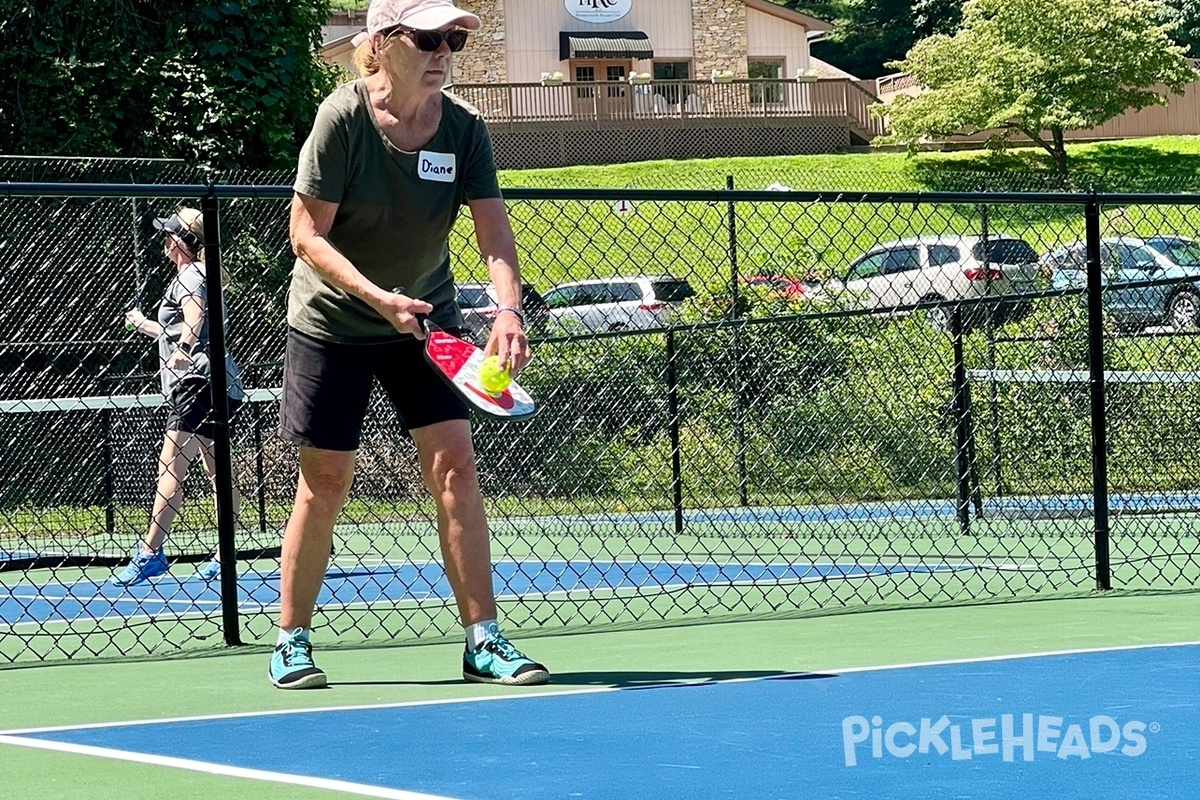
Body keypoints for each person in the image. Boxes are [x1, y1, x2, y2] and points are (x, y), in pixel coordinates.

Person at [270, 0, 548, 690]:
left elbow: (492, 233)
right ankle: (291, 641)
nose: (444, 50)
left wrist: (508, 309)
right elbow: (305, 235)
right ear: (382, 44)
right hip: (335, 320)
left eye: (452, 37)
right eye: (427, 37)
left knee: (455, 464)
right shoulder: (342, 119)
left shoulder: (465, 131)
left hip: (427, 319)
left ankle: (483, 640)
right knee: (327, 478)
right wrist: (376, 298)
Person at [112, 208, 245, 586]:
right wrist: (144, 325)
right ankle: (226, 553)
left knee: (171, 464)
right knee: (216, 470)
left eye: (169, 236)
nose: (164, 243)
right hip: (215, 381)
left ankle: (150, 553)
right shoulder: (202, 274)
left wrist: (184, 349)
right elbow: (182, 328)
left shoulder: (189, 275)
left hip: (195, 383)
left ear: (182, 243)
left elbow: (195, 319)